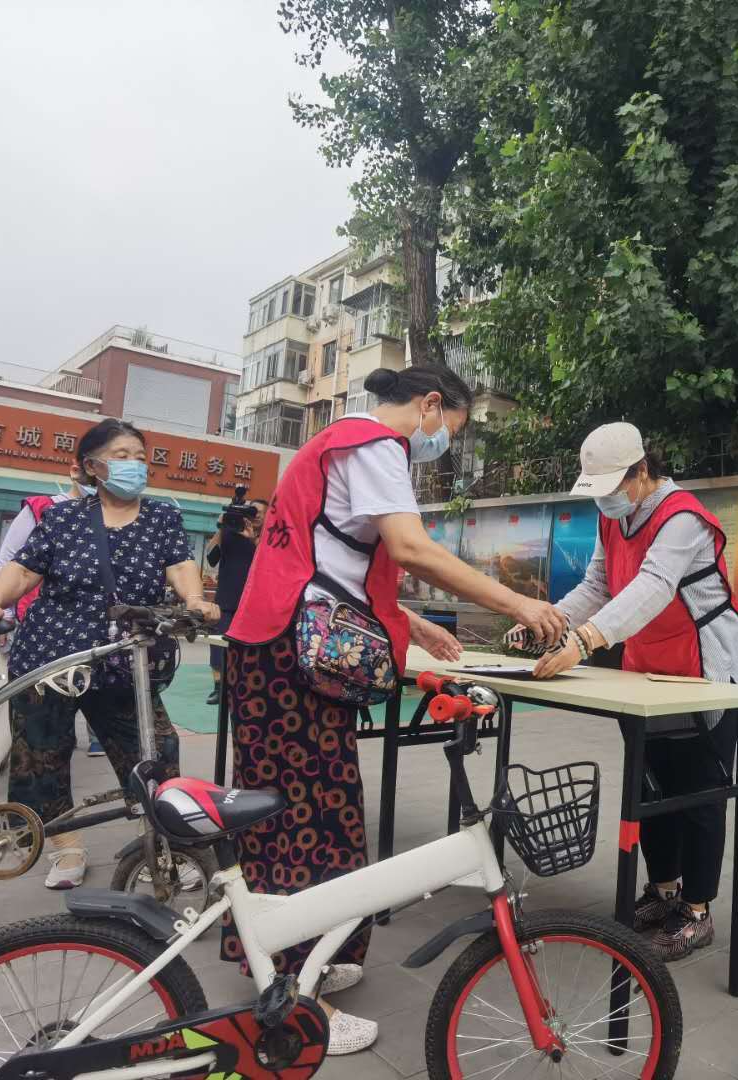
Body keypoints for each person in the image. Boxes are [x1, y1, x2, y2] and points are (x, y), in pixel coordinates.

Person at [223, 363, 567, 1056]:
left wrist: (413, 623)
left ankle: (303, 957)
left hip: (275, 646)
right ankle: (293, 1000)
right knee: (307, 817)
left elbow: (329, 562)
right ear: (431, 405)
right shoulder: (378, 445)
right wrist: (518, 602)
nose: (444, 444)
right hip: (294, 657)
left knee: (307, 809)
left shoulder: (333, 441)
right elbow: (411, 548)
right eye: (450, 430)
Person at [528, 421, 738, 962]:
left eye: (613, 486)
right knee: (652, 785)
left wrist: (584, 640)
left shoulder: (682, 516)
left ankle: (697, 912)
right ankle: (662, 894)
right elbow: (597, 586)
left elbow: (654, 586)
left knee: (701, 790)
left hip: (706, 667)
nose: (606, 499)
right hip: (648, 668)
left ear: (641, 472)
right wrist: (551, 620)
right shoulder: (614, 518)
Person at [0, 419, 220, 888]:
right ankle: (65, 848)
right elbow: (24, 570)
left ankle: (165, 846)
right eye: (122, 456)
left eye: (140, 457)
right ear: (93, 466)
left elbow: (181, 564)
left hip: (126, 660)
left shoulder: (161, 517)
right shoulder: (63, 518)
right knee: (42, 756)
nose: (135, 465)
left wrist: (195, 600)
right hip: (52, 659)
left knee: (155, 751)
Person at [0, 463, 94, 801]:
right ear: (77, 470)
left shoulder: (111, 516)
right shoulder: (41, 509)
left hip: (83, 627)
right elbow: (9, 562)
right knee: (3, 693)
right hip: (31, 623)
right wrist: (4, 613)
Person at [204, 496, 265, 705]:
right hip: (225, 600)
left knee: (249, 649)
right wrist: (222, 528)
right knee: (217, 644)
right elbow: (211, 557)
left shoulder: (269, 538)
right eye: (251, 511)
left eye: (258, 512)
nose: (254, 515)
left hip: (253, 604)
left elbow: (268, 563)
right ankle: (218, 687)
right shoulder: (230, 533)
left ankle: (244, 686)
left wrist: (252, 539)